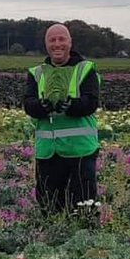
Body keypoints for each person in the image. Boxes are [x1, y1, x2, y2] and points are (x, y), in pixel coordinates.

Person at [22, 23, 101, 214]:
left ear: (70, 42)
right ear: (46, 44)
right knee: (49, 208)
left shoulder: (85, 69)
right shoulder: (37, 72)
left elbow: (91, 102)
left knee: (83, 209)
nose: (57, 44)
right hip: (48, 153)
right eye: (52, 40)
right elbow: (28, 103)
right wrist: (41, 107)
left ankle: (87, 241)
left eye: (61, 39)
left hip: (80, 150)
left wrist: (72, 106)